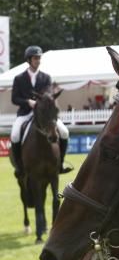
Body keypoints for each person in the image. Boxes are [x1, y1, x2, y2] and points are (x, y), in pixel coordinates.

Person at [10, 45, 71, 177]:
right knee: (15, 135)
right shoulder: (19, 78)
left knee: (65, 132)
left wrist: (41, 103)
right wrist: (27, 102)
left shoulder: (46, 77)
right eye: (35, 58)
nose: (38, 60)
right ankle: (20, 167)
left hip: (45, 115)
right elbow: (14, 99)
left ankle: (60, 164)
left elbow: (48, 96)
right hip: (25, 113)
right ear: (29, 60)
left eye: (39, 58)